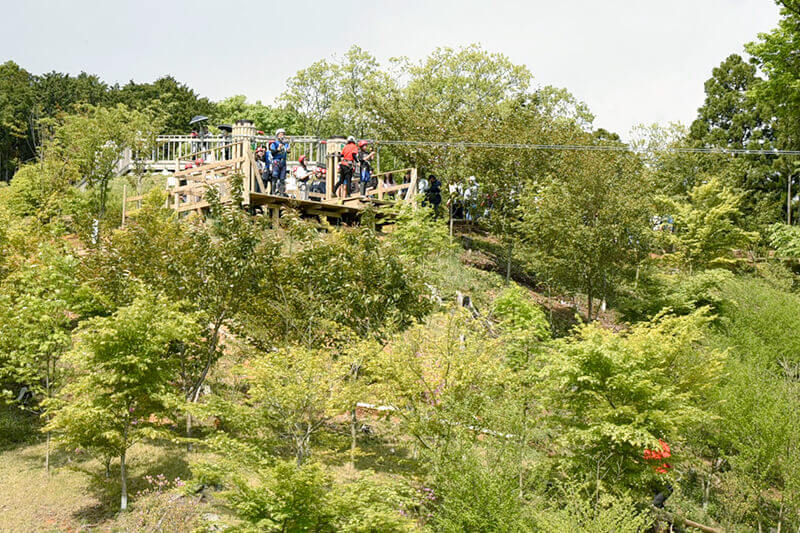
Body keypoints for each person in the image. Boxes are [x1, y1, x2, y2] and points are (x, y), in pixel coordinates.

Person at [269, 129, 290, 195]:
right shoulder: (274, 143)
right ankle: (273, 192)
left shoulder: (286, 144)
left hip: (283, 162)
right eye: (281, 134)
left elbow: (287, 150)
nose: (282, 136)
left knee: (282, 179)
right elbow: (272, 153)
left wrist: (288, 150)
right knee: (275, 177)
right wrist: (278, 149)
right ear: (277, 135)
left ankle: (281, 193)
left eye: (283, 134)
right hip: (276, 162)